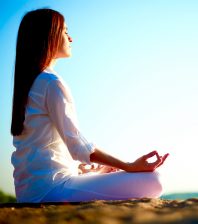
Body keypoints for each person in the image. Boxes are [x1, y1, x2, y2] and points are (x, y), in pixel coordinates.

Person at [11, 8, 169, 203]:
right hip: (51, 189)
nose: (71, 38)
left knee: (108, 173)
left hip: (31, 191)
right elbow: (78, 146)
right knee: (155, 180)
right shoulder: (51, 83)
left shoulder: (31, 84)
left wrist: (87, 170)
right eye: (65, 31)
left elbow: (44, 150)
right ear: (50, 35)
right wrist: (129, 165)